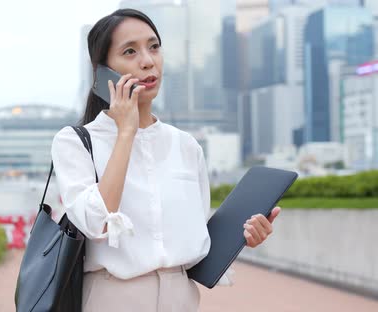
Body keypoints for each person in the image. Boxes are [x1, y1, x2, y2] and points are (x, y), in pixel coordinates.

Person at [50, 8, 281, 312]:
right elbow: (95, 223)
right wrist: (126, 132)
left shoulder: (185, 146)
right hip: (112, 298)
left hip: (181, 299)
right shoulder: (75, 142)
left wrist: (244, 238)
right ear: (103, 71)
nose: (148, 60)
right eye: (130, 51)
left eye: (154, 46)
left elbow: (196, 245)